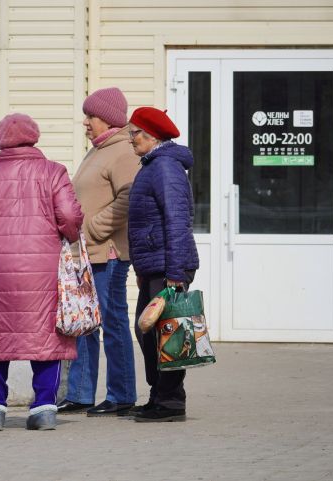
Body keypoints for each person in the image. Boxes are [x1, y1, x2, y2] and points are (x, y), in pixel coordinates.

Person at [0, 113, 84, 432]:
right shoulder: (54, 172)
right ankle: (43, 408)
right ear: (34, 137)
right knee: (46, 338)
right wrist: (68, 234)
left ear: (0, 141)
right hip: (42, 271)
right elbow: (69, 216)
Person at [57, 87, 140, 417]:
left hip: (108, 253)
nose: (85, 123)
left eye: (90, 116)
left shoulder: (123, 153)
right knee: (84, 323)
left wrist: (91, 228)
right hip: (86, 254)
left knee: (112, 322)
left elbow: (129, 199)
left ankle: (121, 395)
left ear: (106, 119)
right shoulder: (98, 150)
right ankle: (80, 394)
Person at [126, 107, 199, 422]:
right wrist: (143, 271)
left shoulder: (165, 167)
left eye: (134, 133)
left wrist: (175, 273)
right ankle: (160, 397)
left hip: (168, 265)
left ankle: (170, 403)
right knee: (147, 331)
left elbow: (177, 220)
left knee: (167, 334)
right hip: (155, 265)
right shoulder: (154, 165)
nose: (131, 139)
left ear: (151, 135)